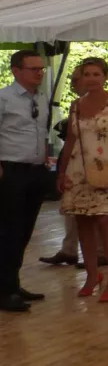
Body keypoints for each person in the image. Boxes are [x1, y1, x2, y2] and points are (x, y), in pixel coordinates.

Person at [57, 57, 108, 303]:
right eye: (87, 74)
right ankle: (92, 275)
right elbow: (70, 140)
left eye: (96, 74)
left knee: (105, 222)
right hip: (79, 170)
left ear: (105, 77)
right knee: (83, 222)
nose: (91, 79)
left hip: (107, 170)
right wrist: (62, 171)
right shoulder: (76, 105)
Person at [39, 65, 105, 271]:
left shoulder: (106, 103)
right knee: (72, 205)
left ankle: (99, 252)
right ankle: (69, 249)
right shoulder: (77, 105)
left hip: (96, 161)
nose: (74, 84)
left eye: (77, 79)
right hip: (75, 160)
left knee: (96, 208)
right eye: (76, 79)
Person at [0, 49, 51, 313]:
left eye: (41, 69)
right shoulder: (4, 98)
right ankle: (5, 291)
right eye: (34, 69)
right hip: (11, 171)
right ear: (16, 71)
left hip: (36, 170)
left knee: (24, 231)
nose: (40, 73)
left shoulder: (41, 98)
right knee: (8, 230)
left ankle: (12, 283)